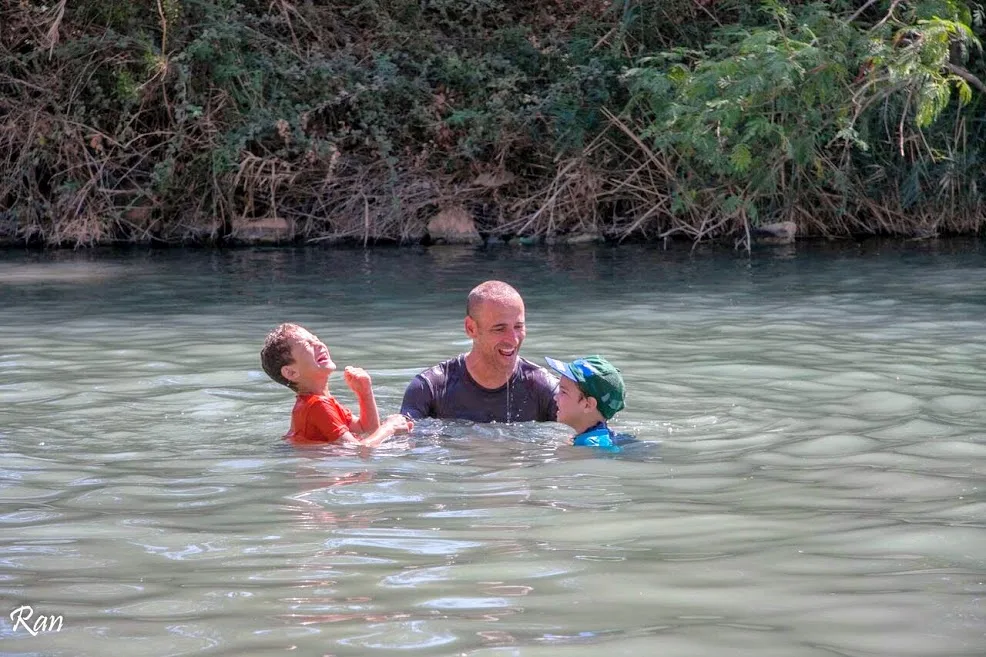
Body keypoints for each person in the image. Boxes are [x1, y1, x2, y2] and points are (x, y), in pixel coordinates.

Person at [400, 281, 557, 422]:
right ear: (471, 328)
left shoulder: (544, 388)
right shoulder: (430, 388)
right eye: (499, 328)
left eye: (518, 327)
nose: (513, 339)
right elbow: (404, 444)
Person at [261, 323, 413, 446]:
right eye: (308, 344)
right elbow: (357, 452)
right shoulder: (317, 405)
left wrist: (365, 393)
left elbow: (366, 430)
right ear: (291, 373)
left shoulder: (321, 402)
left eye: (316, 338)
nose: (319, 344)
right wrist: (389, 428)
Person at [544, 355, 634, 450]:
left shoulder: (589, 447)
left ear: (588, 405)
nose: (555, 397)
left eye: (564, 392)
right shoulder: (601, 437)